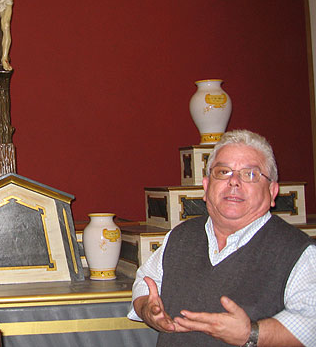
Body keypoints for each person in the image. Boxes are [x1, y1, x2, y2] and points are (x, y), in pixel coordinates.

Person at [128, 129, 316, 346]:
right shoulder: (180, 237)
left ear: (272, 191)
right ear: (206, 187)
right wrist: (147, 309)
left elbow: (311, 328)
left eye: (250, 174)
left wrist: (251, 334)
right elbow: (145, 282)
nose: (234, 181)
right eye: (223, 172)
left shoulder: (299, 253)